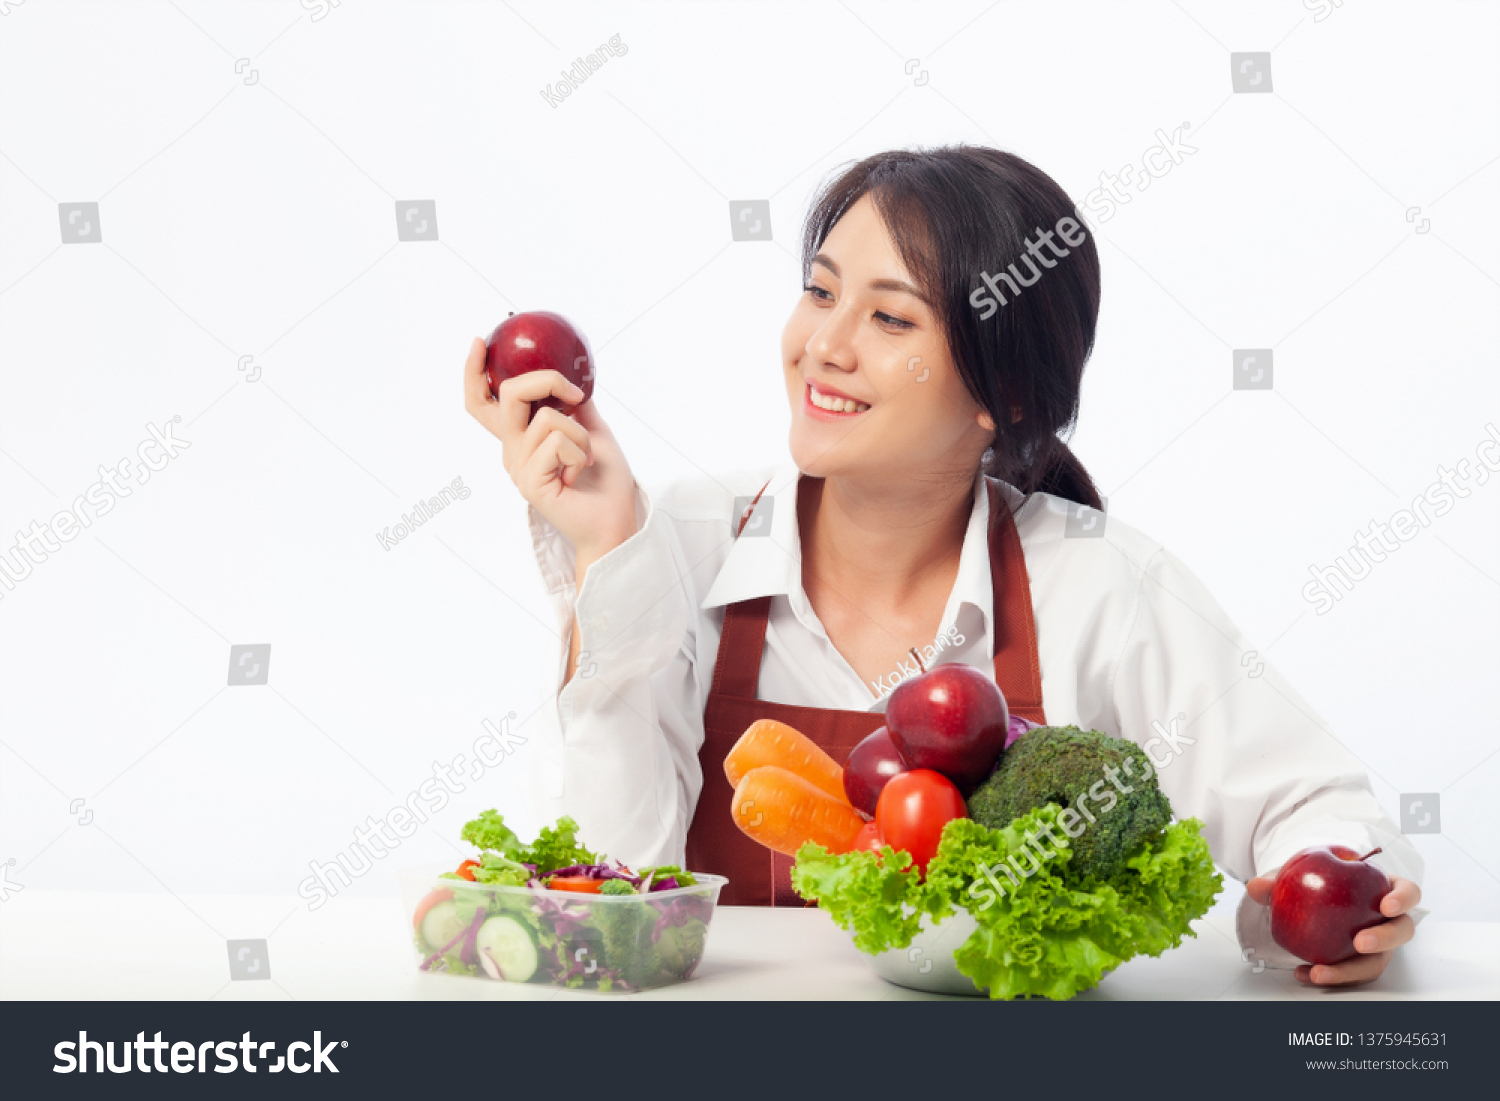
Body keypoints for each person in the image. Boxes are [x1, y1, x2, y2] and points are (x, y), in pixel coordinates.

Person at [464, 146, 1422, 986]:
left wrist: (1318, 911)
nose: (823, 347)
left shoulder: (1098, 582)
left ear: (1000, 390)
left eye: (891, 321)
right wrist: (607, 552)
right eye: (822, 290)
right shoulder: (680, 538)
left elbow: (1323, 812)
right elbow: (603, 893)